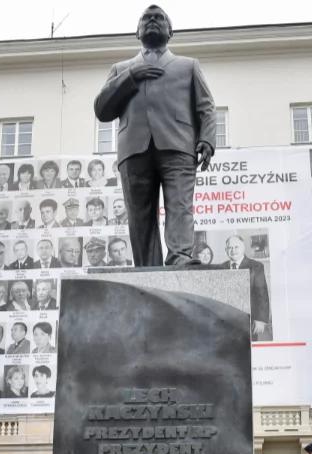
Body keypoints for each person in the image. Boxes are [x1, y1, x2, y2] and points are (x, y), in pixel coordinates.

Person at [94, 5, 216, 267]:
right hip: (134, 150)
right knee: (139, 214)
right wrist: (131, 76)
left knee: (180, 205)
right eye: (146, 19)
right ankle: (147, 265)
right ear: (137, 32)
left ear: (170, 31)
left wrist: (206, 138)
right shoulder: (121, 68)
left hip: (179, 145)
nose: (152, 21)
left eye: (159, 18)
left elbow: (206, 106)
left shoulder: (188, 66)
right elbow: (102, 110)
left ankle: (180, 257)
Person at [218, 235, 273, 341]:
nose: (233, 250)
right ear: (226, 250)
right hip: (226, 318)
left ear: (243, 248)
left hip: (248, 318)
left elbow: (261, 293)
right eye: (230, 248)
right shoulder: (221, 267)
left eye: (236, 247)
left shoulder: (256, 266)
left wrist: (260, 319)